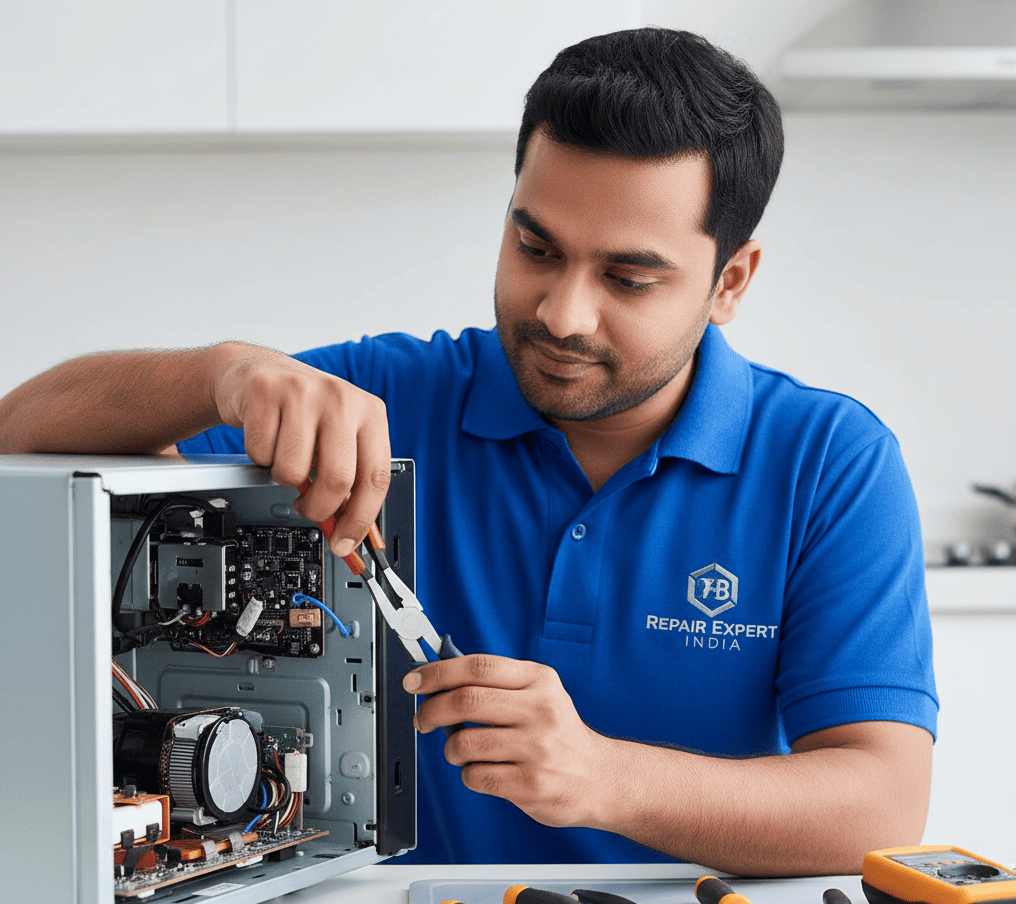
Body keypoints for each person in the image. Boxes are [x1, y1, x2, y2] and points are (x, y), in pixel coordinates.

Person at [0, 28, 936, 875]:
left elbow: (881, 805)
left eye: (628, 276)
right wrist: (224, 373)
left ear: (729, 281)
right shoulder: (385, 395)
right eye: (536, 246)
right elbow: (18, 435)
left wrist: (600, 779)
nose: (563, 313)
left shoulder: (829, 462)